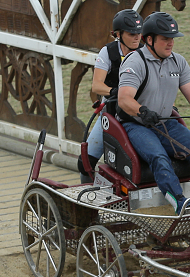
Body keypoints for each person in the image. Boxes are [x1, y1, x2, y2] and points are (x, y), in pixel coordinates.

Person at [116, 11, 190, 214]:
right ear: (149, 39)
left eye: (172, 39)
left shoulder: (178, 62)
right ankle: (180, 203)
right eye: (165, 39)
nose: (170, 43)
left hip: (166, 122)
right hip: (137, 125)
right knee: (159, 157)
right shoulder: (135, 62)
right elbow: (124, 99)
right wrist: (142, 111)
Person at [78, 9, 144, 183]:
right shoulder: (107, 52)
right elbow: (96, 85)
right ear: (118, 35)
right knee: (84, 163)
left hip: (138, 111)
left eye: (139, 33)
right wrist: (113, 91)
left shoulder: (146, 52)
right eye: (131, 33)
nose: (137, 37)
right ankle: (88, 198)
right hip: (112, 112)